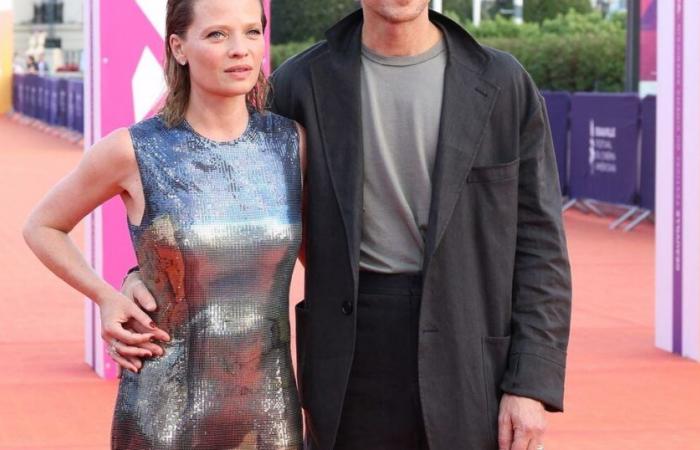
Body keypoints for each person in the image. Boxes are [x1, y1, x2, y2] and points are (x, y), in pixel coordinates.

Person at [122, 1, 572, 449]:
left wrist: (530, 384)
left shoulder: (502, 83)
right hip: (347, 351)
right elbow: (223, 193)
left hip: (470, 347)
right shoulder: (301, 83)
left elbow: (540, 244)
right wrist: (142, 273)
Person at [23, 0, 305, 448]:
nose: (240, 50)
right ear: (179, 47)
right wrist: (107, 297)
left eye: (252, 32)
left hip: (268, 409)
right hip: (165, 411)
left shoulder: (291, 143)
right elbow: (42, 226)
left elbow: (328, 261)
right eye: (217, 35)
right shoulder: (133, 150)